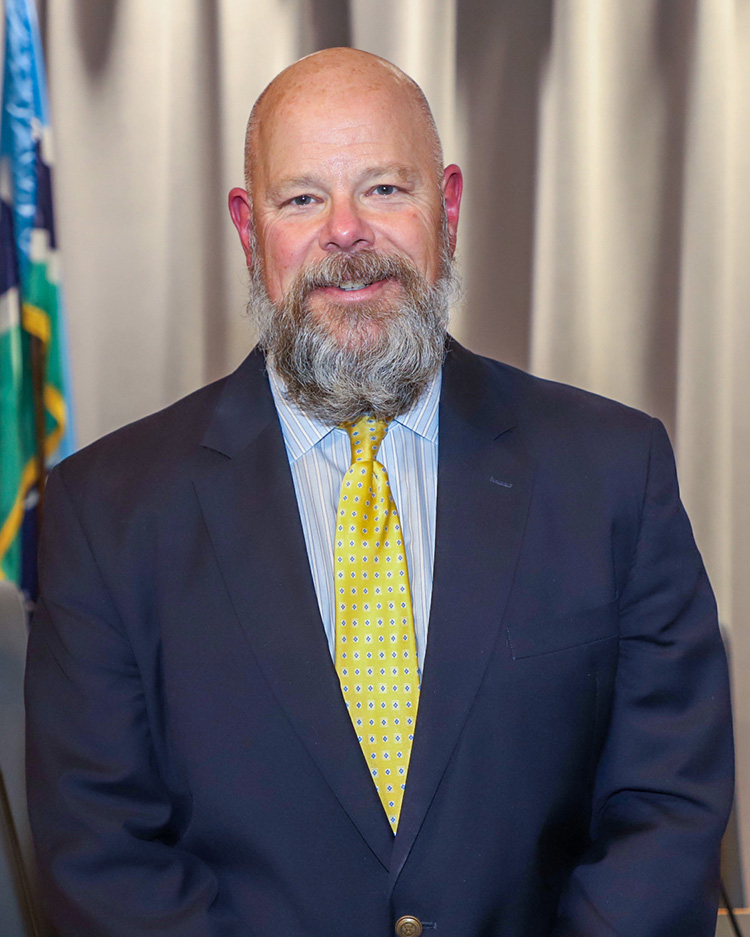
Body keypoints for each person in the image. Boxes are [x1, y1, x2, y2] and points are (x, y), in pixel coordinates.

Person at [25, 47, 733, 937]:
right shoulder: (105, 514)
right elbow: (103, 858)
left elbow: (665, 812)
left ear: (450, 207)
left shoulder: (614, 472)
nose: (347, 231)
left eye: (387, 189)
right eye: (303, 198)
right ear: (250, 229)